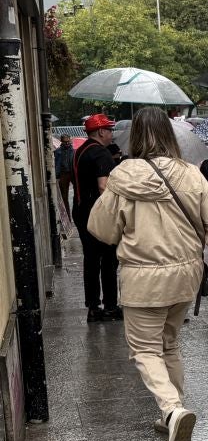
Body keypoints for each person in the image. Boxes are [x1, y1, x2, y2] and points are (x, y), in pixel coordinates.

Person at [87, 106, 208, 441]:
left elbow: (102, 230)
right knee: (169, 342)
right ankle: (172, 411)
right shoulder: (190, 173)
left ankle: (171, 410)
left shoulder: (122, 176)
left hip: (142, 279)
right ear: (170, 135)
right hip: (186, 276)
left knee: (144, 349)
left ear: (134, 136)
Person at [73, 114, 121, 322]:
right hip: (98, 213)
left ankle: (93, 306)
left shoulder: (80, 151)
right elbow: (103, 186)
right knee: (109, 259)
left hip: (81, 210)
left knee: (91, 260)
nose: (111, 134)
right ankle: (110, 306)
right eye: (109, 130)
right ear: (101, 131)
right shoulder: (101, 153)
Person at [54, 134, 75, 218]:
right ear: (61, 141)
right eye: (65, 142)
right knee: (64, 197)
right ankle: (67, 217)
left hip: (71, 173)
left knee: (77, 193)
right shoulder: (58, 151)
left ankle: (74, 214)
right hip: (63, 174)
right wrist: (57, 176)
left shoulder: (73, 151)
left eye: (68, 141)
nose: (67, 143)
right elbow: (56, 165)